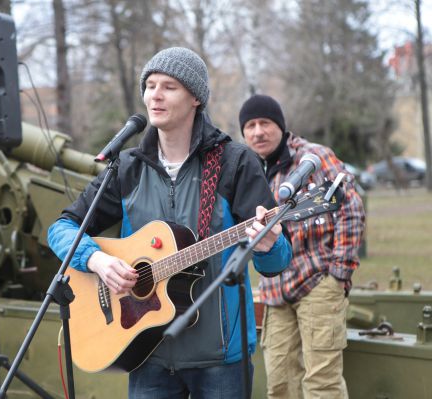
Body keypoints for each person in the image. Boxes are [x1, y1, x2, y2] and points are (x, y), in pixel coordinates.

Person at [47, 47, 292, 398]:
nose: (154, 95)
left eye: (169, 87)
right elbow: (62, 228)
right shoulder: (127, 167)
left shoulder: (234, 162)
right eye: (149, 85)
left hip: (220, 358)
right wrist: (97, 260)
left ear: (195, 98)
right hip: (147, 351)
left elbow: (278, 261)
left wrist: (269, 246)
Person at [238, 94, 366, 399]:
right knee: (279, 386)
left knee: (322, 386)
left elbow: (351, 206)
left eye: (265, 123)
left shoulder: (314, 157)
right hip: (275, 291)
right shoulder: (249, 168)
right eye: (250, 126)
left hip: (318, 282)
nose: (258, 132)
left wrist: (339, 273)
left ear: (281, 126)